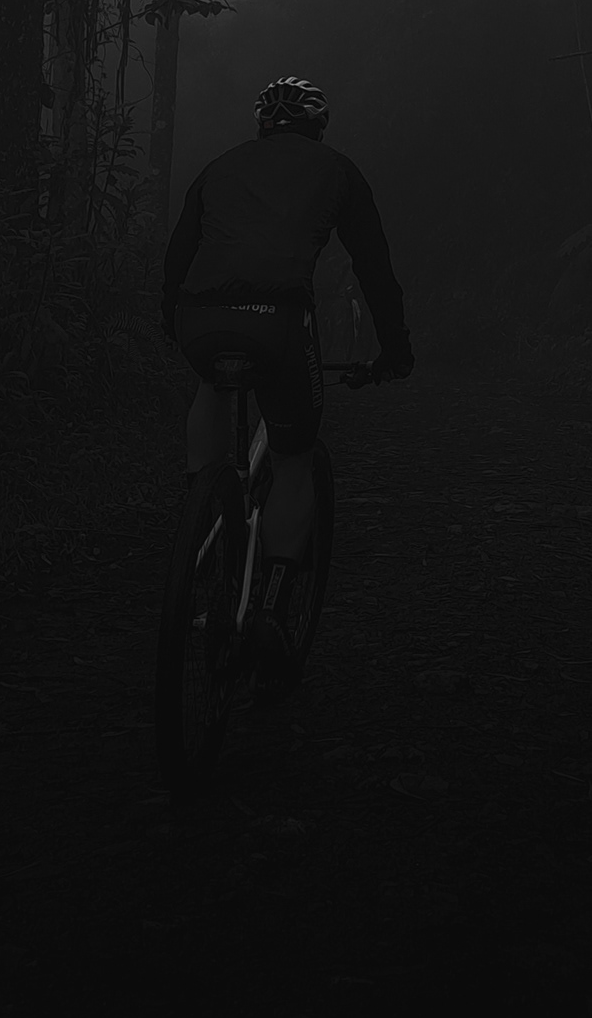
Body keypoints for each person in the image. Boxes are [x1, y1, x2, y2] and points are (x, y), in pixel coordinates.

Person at [161, 76, 415, 641]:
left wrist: (168, 323)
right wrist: (394, 352)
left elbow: (179, 254)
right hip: (278, 324)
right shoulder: (338, 170)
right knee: (294, 458)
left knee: (212, 385)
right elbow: (374, 269)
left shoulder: (219, 166)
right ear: (318, 126)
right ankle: (272, 610)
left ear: (261, 126)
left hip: (201, 318)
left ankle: (202, 514)